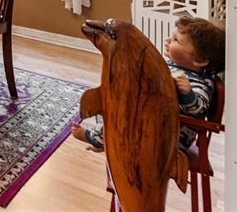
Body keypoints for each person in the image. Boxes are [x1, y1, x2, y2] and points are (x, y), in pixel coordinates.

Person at [73, 16, 225, 152]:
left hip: (170, 137)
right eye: (172, 37)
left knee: (120, 110)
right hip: (154, 120)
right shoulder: (171, 64)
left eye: (176, 40)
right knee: (111, 99)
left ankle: (99, 139)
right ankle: (103, 135)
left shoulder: (201, 82)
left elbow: (199, 109)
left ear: (199, 61)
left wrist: (188, 94)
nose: (168, 40)